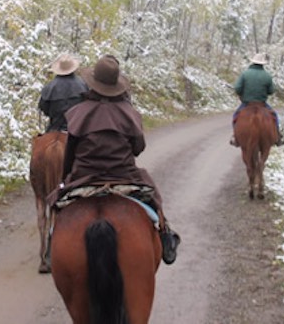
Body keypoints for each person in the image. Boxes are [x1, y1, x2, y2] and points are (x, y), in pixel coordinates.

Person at [50, 54, 181, 264]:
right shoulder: (129, 113)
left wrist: (66, 178)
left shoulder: (78, 113)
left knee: (56, 204)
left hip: (84, 176)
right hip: (123, 174)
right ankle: (166, 235)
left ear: (93, 82)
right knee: (153, 195)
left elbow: (70, 154)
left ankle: (50, 244)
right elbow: (139, 148)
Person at [230, 53, 283, 146]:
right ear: (263, 64)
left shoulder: (245, 74)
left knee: (235, 116)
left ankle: (235, 137)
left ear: (253, 62)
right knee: (275, 116)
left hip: (247, 103)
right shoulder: (267, 76)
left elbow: (237, 88)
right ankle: (277, 137)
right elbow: (271, 91)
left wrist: (241, 94)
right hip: (262, 104)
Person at [38, 54, 88, 132]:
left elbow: (44, 108)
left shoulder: (49, 88)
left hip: (55, 129)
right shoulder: (83, 85)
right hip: (78, 130)